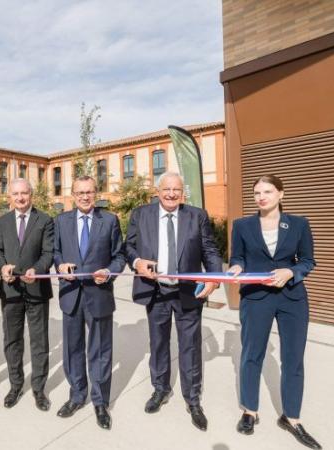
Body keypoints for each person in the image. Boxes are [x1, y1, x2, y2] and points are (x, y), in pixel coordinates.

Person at [228, 175, 321, 449]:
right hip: (256, 298)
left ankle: (291, 418)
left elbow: (307, 260)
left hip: (292, 298)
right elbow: (238, 257)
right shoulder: (242, 225)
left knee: (293, 359)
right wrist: (236, 268)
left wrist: (290, 271)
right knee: (251, 355)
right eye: (257, 193)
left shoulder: (299, 224)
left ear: (281, 194)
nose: (261, 197)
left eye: (267, 191)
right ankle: (250, 410)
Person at [124, 171, 222, 431]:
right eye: (166, 189)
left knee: (190, 346)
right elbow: (129, 247)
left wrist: (213, 279)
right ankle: (160, 389)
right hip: (155, 291)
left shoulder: (196, 216)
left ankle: (193, 400)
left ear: (182, 193)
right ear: (157, 191)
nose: (170, 194)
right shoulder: (141, 214)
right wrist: (137, 262)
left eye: (176, 190)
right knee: (158, 344)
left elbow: (210, 249)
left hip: (187, 291)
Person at [53, 176, 125, 430]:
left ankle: (100, 401)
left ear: (96, 193)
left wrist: (109, 271)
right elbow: (56, 252)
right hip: (71, 295)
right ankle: (76, 395)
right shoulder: (61, 221)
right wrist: (60, 266)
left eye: (89, 192)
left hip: (99, 295)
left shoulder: (109, 220)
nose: (85, 196)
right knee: (72, 351)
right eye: (80, 192)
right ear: (72, 195)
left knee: (101, 351)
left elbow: (119, 256)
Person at [0, 178, 54, 411]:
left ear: (31, 194)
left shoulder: (45, 220)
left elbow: (49, 252)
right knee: (12, 341)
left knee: (39, 342)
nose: (20, 198)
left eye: (24, 193)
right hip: (10, 290)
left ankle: (39, 389)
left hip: (36, 289)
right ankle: (15, 385)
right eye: (16, 194)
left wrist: (37, 270)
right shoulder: (2, 222)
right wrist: (2, 267)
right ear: (9, 196)